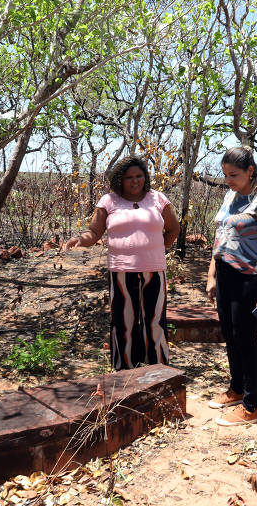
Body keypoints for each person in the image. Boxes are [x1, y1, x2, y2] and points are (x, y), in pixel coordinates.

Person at [65, 155, 180, 371]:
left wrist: (156, 248)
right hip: (121, 271)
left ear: (145, 177)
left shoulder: (158, 199)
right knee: (123, 323)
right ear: (120, 179)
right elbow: (94, 232)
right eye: (129, 177)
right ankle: (124, 373)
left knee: (154, 323)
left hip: (154, 271)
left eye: (139, 176)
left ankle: (159, 372)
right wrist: (80, 240)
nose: (135, 181)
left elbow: (174, 228)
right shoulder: (109, 201)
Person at [206, 146, 257, 426]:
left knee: (245, 338)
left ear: (251, 171)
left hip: (250, 278)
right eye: (225, 174)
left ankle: (251, 406)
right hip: (225, 274)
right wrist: (212, 274)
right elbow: (221, 235)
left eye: (234, 175)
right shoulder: (230, 195)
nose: (229, 180)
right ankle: (237, 389)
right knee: (230, 334)